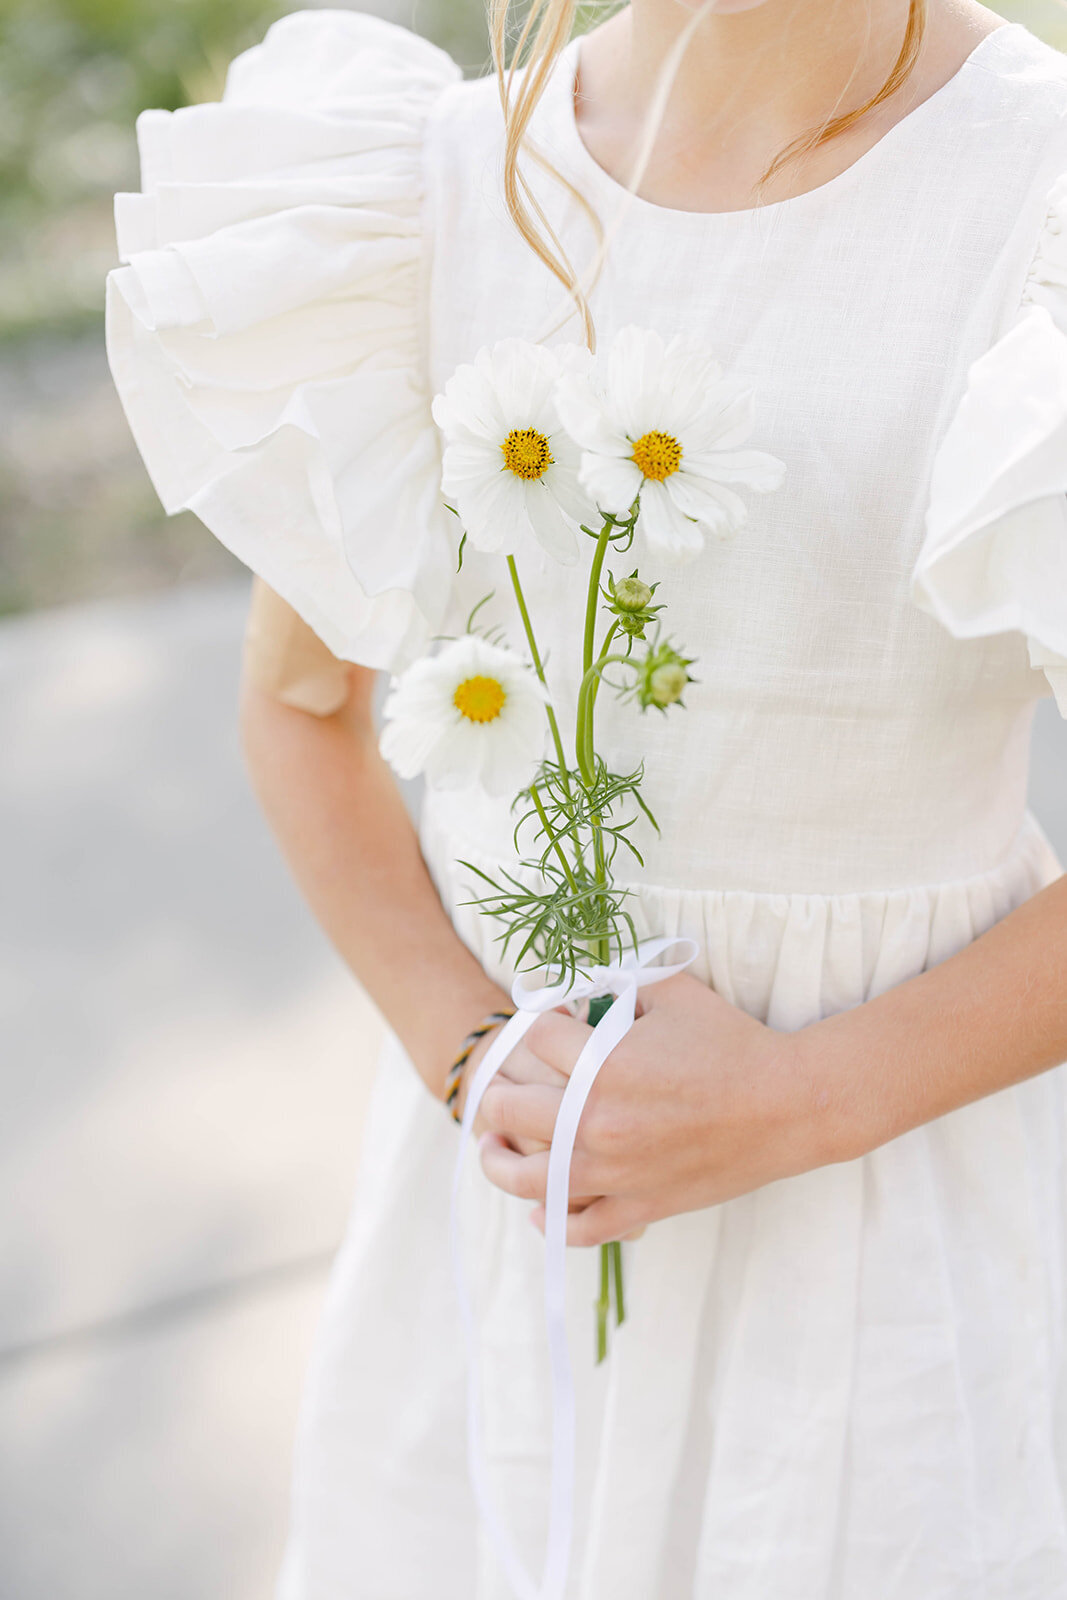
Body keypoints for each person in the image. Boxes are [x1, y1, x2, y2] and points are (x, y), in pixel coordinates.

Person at [105, 0, 1067, 1592]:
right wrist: (471, 1049)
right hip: (506, 1232)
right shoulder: (430, 187)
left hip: (883, 1223)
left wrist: (805, 1100)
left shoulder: (1033, 201)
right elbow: (298, 711)